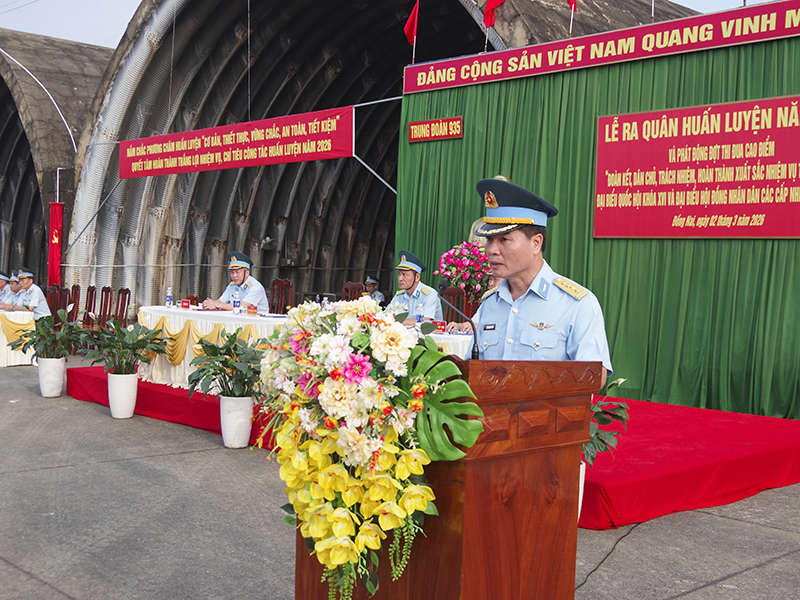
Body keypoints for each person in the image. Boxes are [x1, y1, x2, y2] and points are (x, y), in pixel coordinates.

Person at [468, 176, 612, 387]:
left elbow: (593, 378)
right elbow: (471, 369)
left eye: (504, 240)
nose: (491, 250)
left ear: (536, 243)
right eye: (489, 240)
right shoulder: (490, 303)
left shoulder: (577, 304)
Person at [202, 252, 269, 312]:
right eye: (232, 272)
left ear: (247, 273)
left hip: (256, 322)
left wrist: (216, 305)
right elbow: (221, 301)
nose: (234, 276)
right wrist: (209, 303)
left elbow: (241, 306)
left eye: (237, 272)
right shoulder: (232, 286)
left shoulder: (255, 287)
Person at [390, 250, 443, 326]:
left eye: (404, 275)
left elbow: (425, 321)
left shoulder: (430, 294)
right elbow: (387, 315)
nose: (400, 278)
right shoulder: (399, 296)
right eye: (399, 274)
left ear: (417, 277)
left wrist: (395, 322)